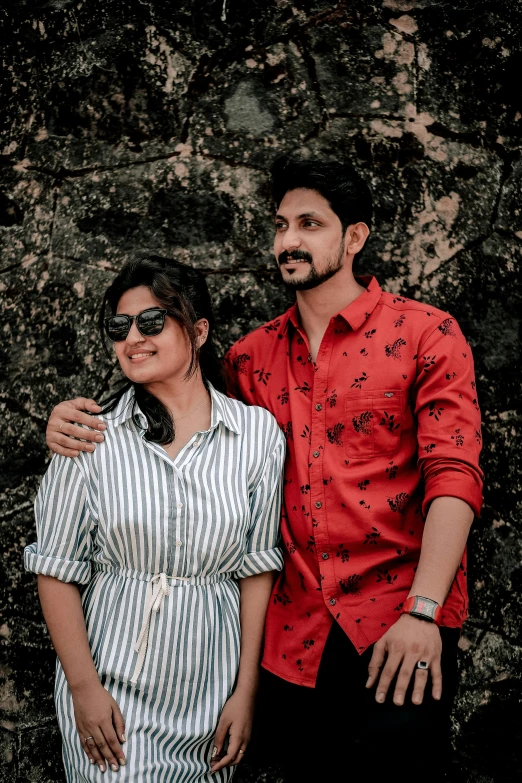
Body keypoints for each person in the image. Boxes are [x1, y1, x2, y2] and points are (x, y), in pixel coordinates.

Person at [45, 157, 483, 782]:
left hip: (396, 627)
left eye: (309, 224)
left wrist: (424, 612)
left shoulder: (426, 335)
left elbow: (455, 475)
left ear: (354, 237)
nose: (288, 242)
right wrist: (68, 420)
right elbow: (177, 406)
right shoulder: (250, 359)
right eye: (280, 225)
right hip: (292, 642)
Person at [25, 256, 285, 781]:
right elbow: (55, 567)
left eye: (152, 322)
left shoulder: (256, 435)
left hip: (210, 690)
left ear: (199, 330)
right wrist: (83, 689)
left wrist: (245, 693)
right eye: (119, 328)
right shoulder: (88, 435)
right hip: (113, 689)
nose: (133, 339)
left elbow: (258, 570)